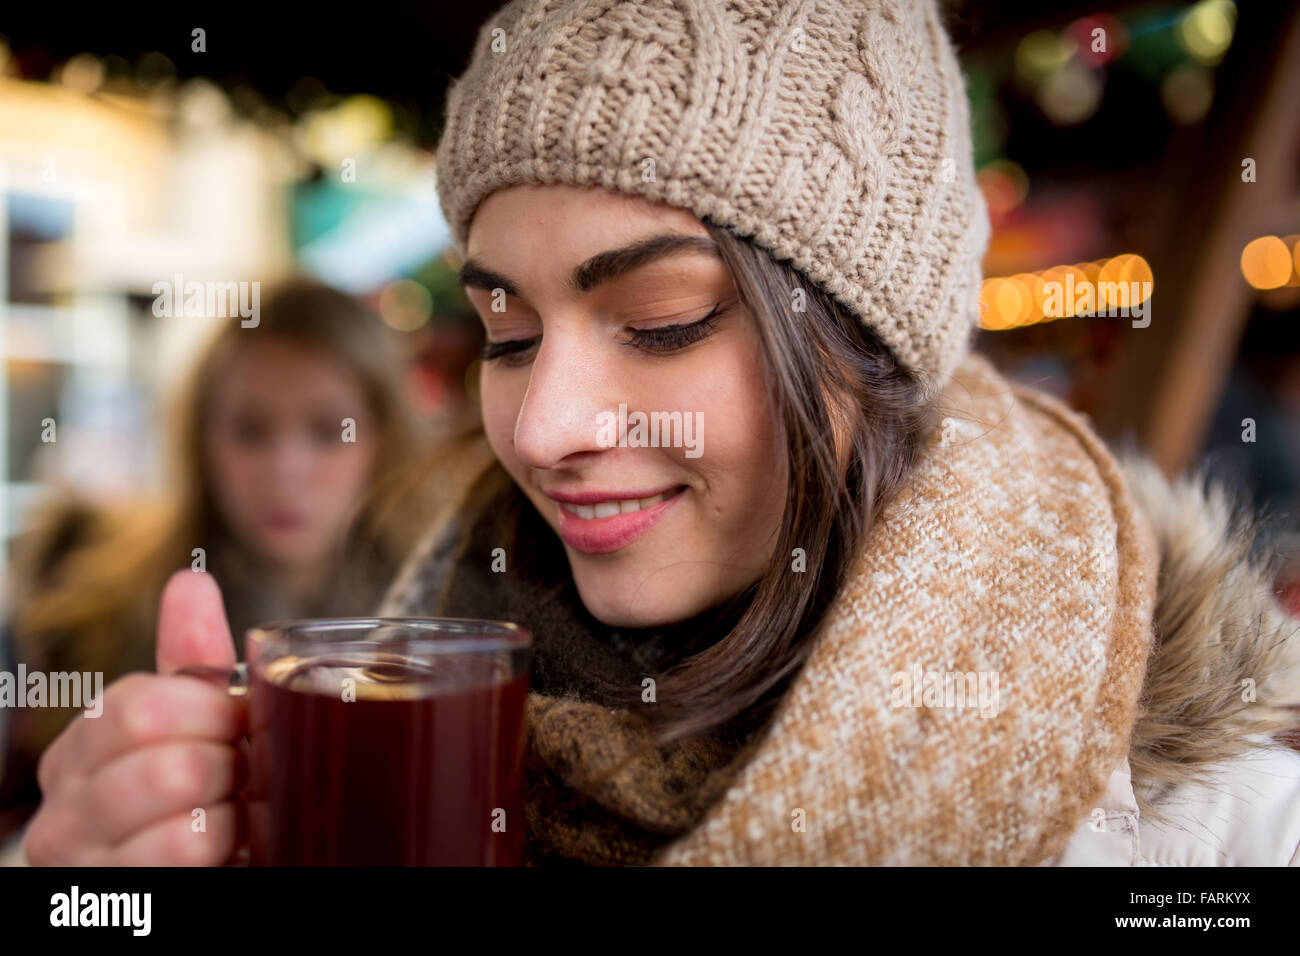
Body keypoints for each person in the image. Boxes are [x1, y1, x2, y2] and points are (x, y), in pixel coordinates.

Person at [20, 0, 1300, 866]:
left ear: (873, 344)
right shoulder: (402, 727)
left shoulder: (1218, 825)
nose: (545, 425)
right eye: (507, 333)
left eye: (664, 315)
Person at [1, 276, 439, 856]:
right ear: (200, 442)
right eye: (250, 431)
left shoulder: (448, 623)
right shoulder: (78, 614)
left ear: (382, 442)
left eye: (330, 431)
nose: (286, 470)